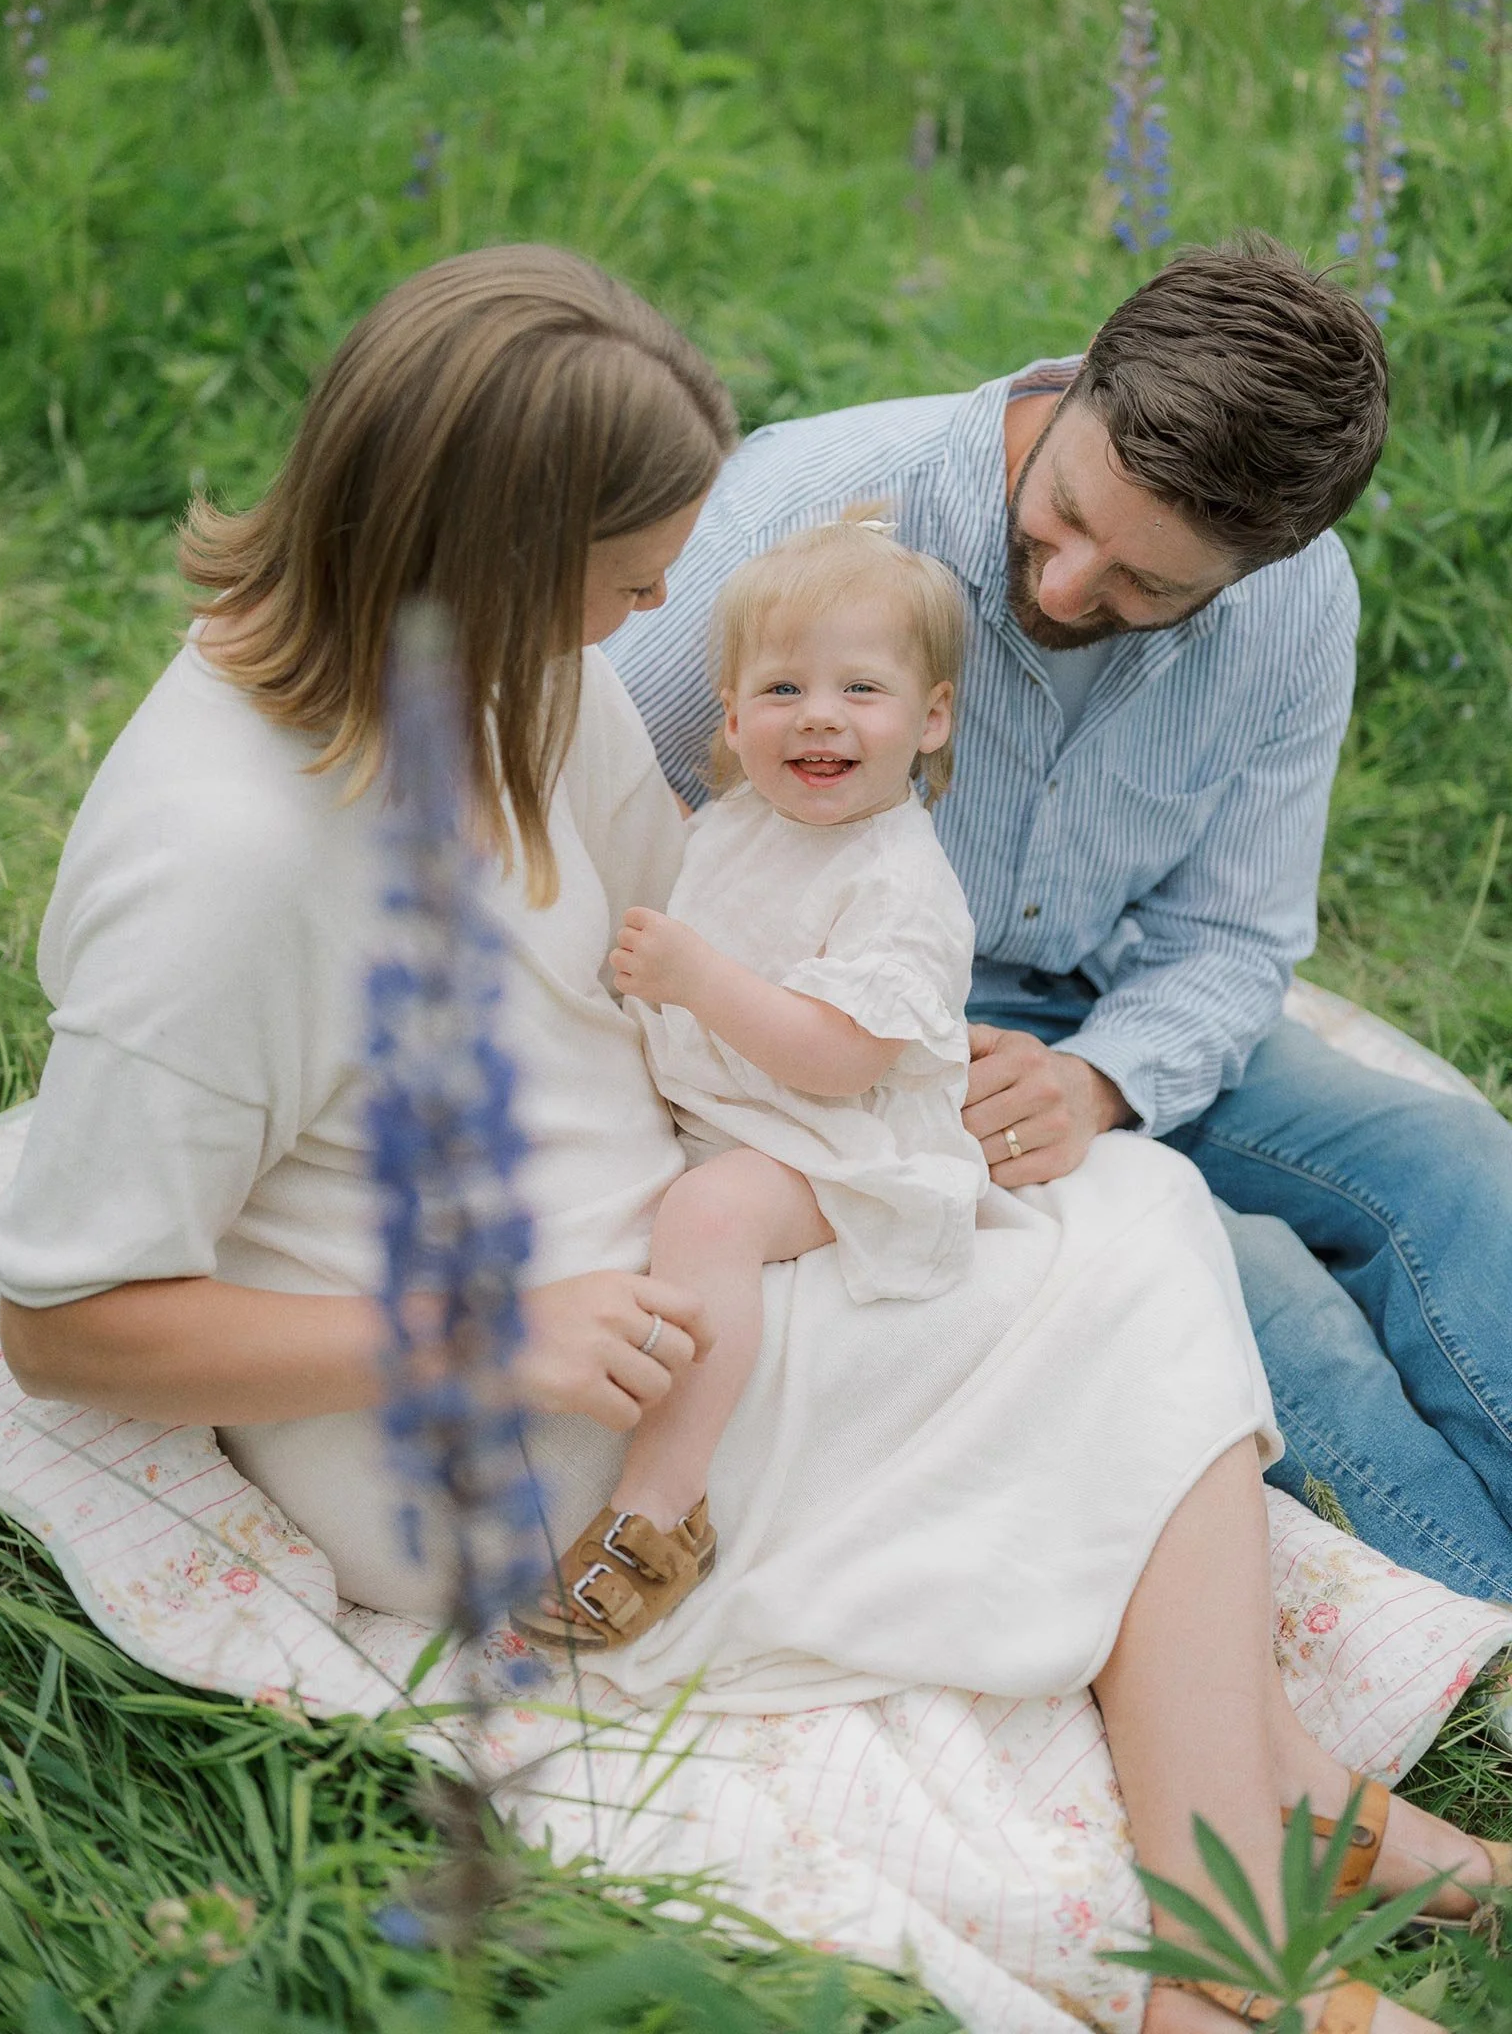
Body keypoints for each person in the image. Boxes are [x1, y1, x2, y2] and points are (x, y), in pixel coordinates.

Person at [0, 244, 1497, 2034]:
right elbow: (64, 1325)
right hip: (494, 1414)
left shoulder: (501, 672)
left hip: (655, 1264)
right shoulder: (226, 860)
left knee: (1135, 1207)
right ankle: (1232, 1973)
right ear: (494, 539)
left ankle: (1273, 1809)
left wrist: (861, 1111)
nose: (645, 625)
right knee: (1147, 1283)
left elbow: (687, 948)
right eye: (627, 580)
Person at [605, 233, 1512, 1606]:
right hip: (874, 1048)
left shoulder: (1298, 607)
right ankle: (1486, 1613)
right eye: (1069, 516)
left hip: (1106, 1014)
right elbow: (564, 793)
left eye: (1149, 586)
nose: (1073, 588)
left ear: (1265, 559)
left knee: (1449, 1158)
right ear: (1083, 377)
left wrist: (1099, 1082)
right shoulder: (806, 510)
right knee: (1262, 1290)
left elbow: (1232, 940)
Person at [511, 517, 988, 1652]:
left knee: (710, 1210)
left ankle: (661, 1507)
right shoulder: (740, 819)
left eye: (861, 688)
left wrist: (698, 979)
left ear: (930, 719)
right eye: (783, 686)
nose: (819, 713)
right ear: (730, 718)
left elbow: (837, 1056)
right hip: (722, 1103)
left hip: (836, 1146)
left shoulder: (901, 883)